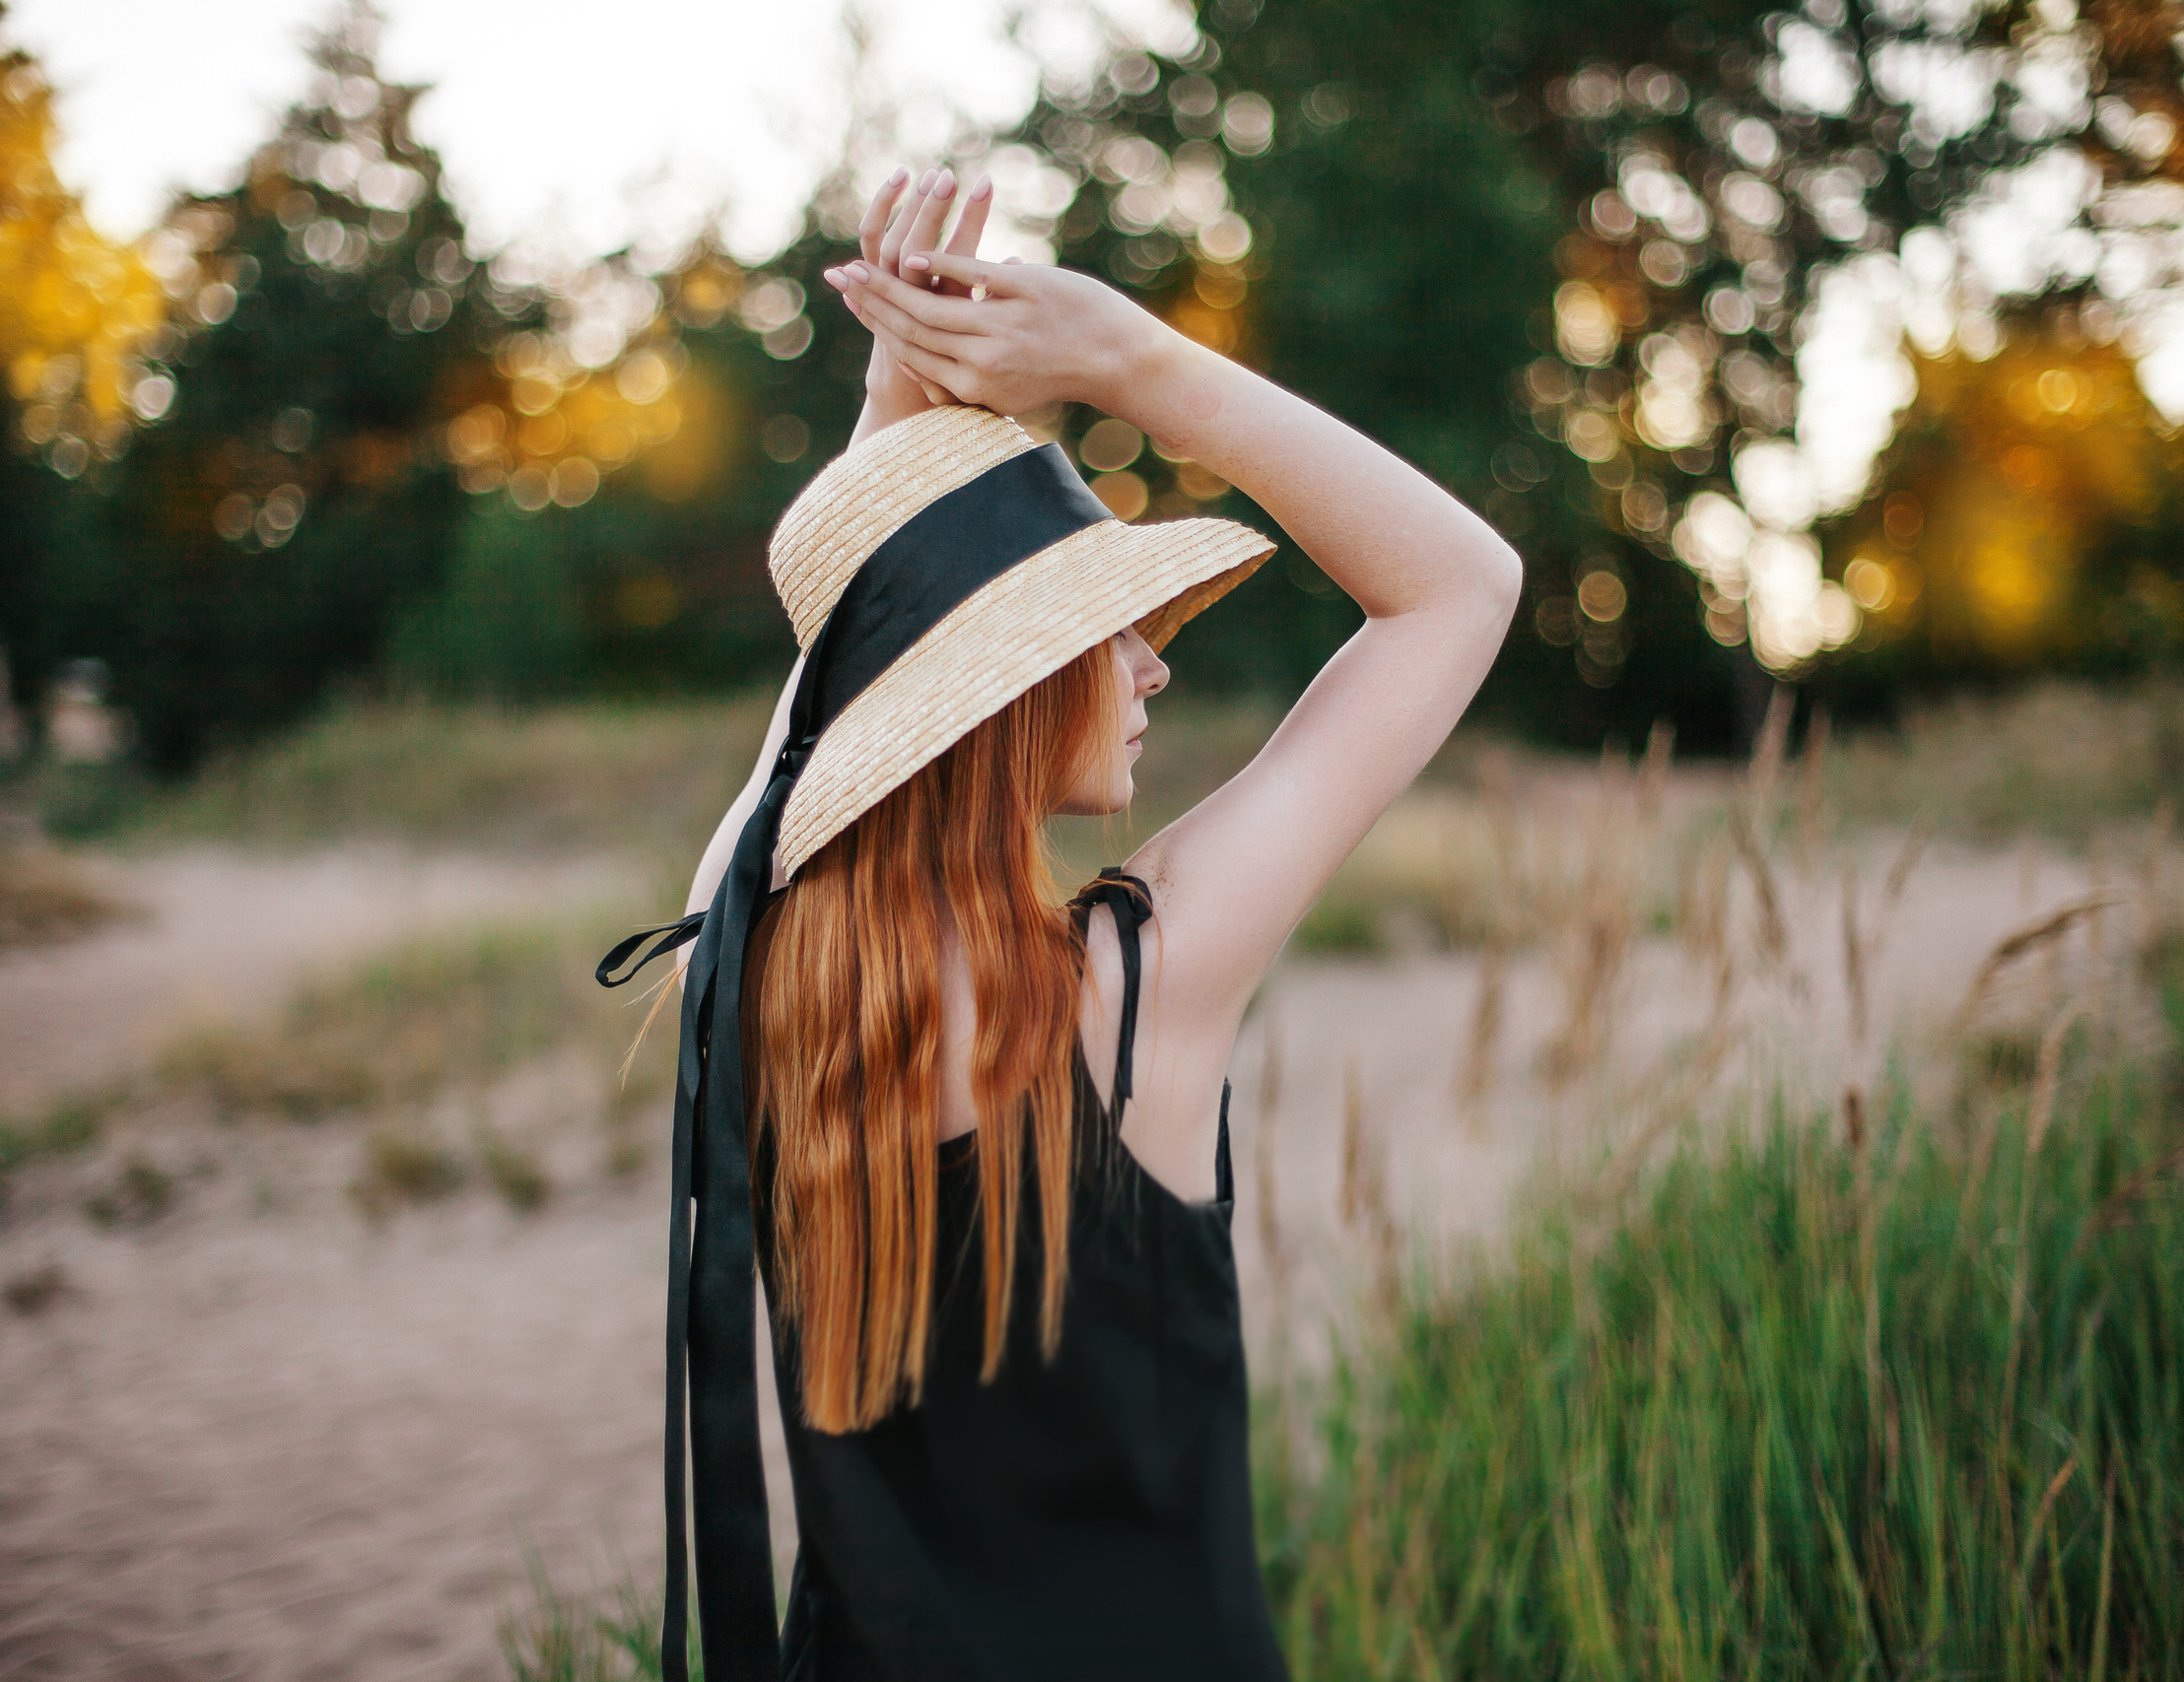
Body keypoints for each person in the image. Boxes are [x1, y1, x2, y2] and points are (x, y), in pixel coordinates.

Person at [601, 165, 1523, 1681]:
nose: (1154, 667)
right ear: (1005, 689)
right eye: (1112, 634)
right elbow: (1458, 590)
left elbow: (819, 720)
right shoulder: (1128, 992)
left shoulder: (757, 964)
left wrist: (902, 389)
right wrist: (1128, 363)